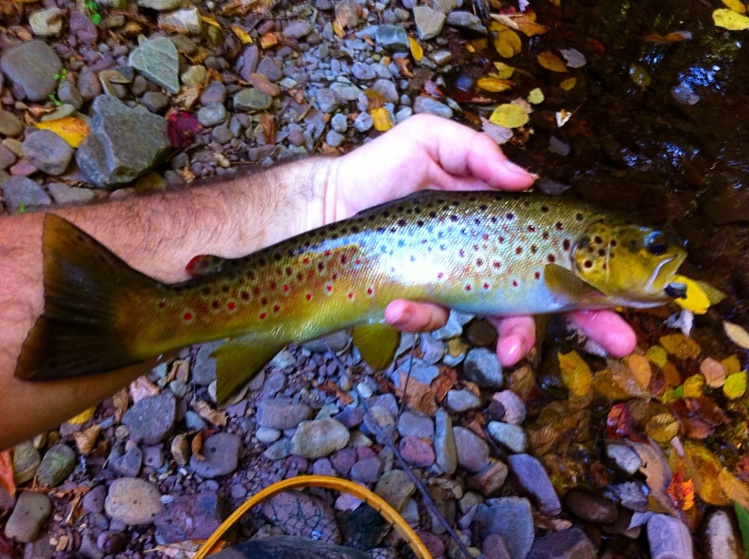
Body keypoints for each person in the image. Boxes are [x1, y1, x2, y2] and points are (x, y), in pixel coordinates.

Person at [0, 115, 635, 450]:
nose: (660, 258)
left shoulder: (580, 265)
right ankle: (149, 317)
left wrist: (319, 194)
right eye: (650, 248)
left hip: (353, 265)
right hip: (353, 258)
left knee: (320, 319)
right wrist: (322, 195)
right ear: (594, 251)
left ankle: (158, 316)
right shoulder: (571, 266)